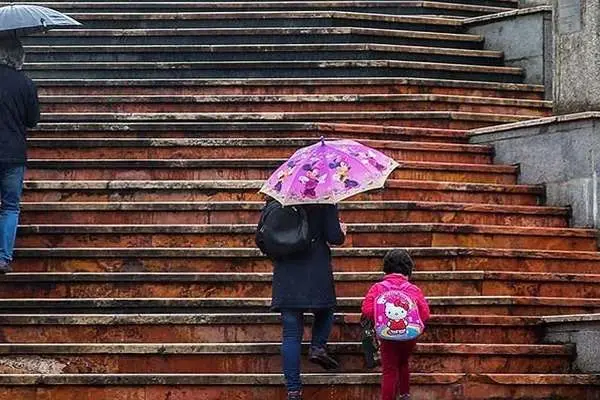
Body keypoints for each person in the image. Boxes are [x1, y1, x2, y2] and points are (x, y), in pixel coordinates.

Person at [269, 200, 346, 400]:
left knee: (291, 335)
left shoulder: (278, 199)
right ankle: (318, 345)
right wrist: (342, 230)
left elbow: (266, 235)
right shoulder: (325, 199)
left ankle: (293, 391)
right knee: (326, 308)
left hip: (286, 272)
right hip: (316, 269)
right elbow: (334, 236)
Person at [361, 249, 430, 400]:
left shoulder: (377, 288)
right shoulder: (413, 289)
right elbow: (425, 314)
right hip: (409, 335)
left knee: (389, 369)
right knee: (403, 362)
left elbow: (366, 310)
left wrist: (380, 319)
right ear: (409, 269)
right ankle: (404, 394)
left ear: (385, 268)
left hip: (386, 335)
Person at [0, 35, 40, 273]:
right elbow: (33, 120)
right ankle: (3, 257)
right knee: (10, 207)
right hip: (14, 153)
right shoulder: (25, 83)